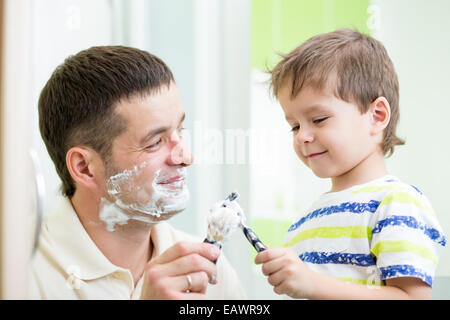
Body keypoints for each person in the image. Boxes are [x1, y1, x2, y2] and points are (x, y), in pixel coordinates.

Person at [30, 46, 246, 300]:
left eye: (180, 130)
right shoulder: (20, 272)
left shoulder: (208, 270)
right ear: (84, 168)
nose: (186, 157)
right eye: (155, 142)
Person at [254, 29, 446, 299]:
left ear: (377, 116)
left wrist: (312, 283)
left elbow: (412, 298)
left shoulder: (397, 204)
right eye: (294, 126)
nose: (303, 136)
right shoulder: (304, 222)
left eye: (319, 119)